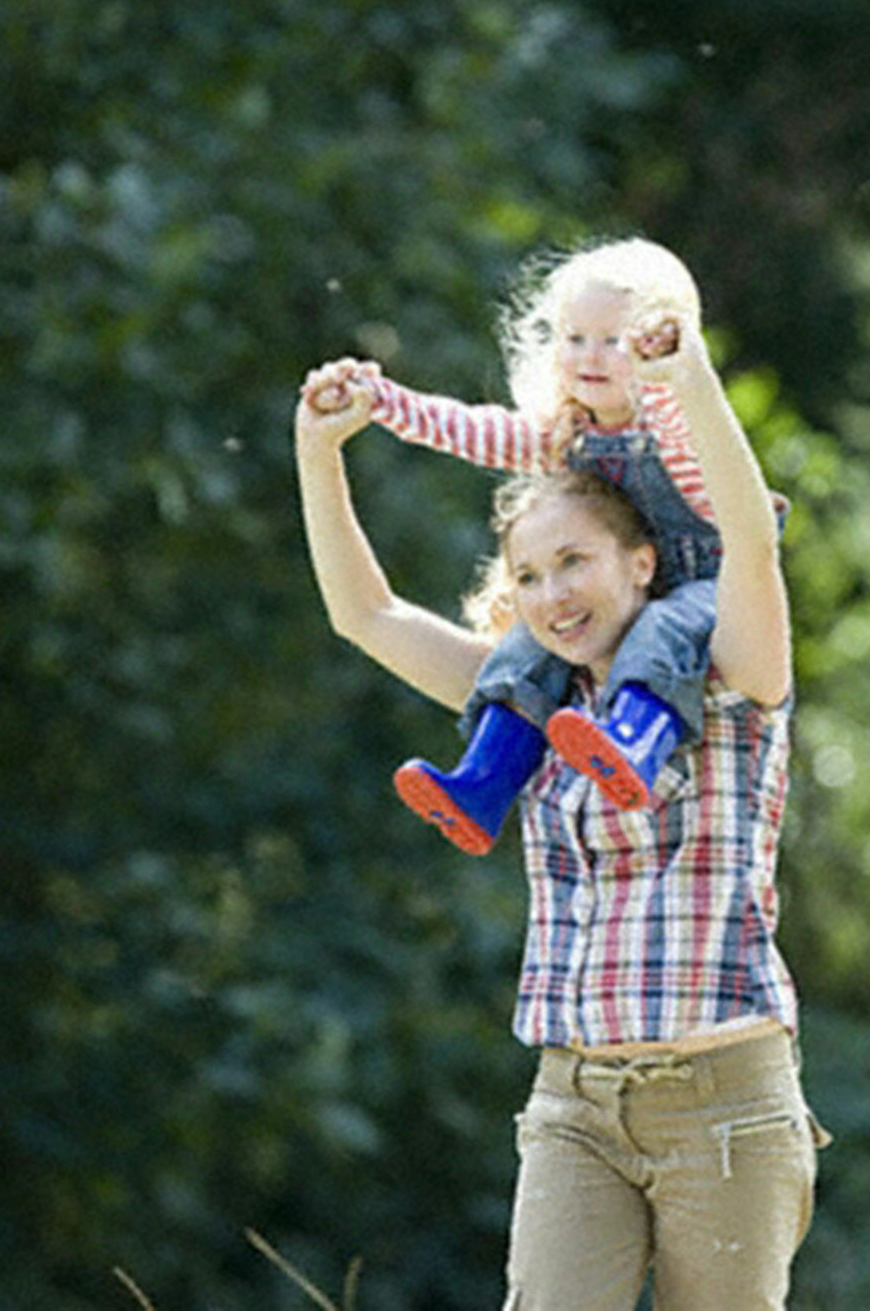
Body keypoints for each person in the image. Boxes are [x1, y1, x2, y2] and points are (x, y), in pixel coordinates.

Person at [295, 290, 823, 1308]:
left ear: (641, 562)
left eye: (573, 562)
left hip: (723, 1090)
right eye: (528, 575)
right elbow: (366, 614)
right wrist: (319, 453)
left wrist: (684, 378)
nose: (550, 595)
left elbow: (749, 537)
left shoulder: (731, 670)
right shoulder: (531, 702)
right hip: (573, 1095)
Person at [308, 239, 759, 856]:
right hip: (619, 616)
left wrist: (674, 370)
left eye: (614, 340)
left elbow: (726, 490)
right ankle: (481, 785)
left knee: (661, 626)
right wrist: (382, 403)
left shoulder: (674, 434)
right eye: (574, 339)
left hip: (697, 596)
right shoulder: (563, 440)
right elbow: (469, 429)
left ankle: (634, 741)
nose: (589, 357)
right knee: (523, 650)